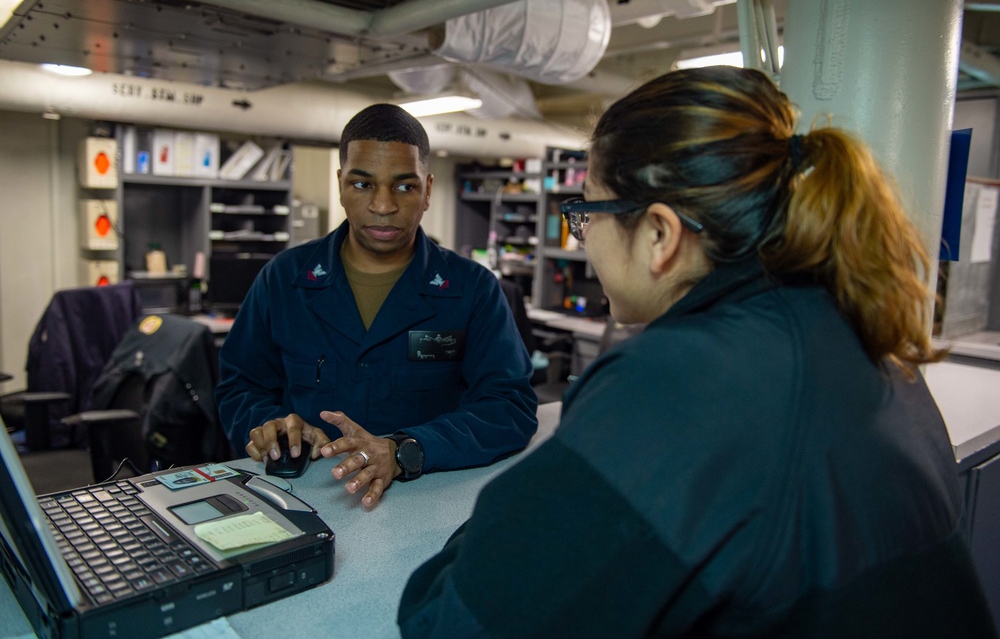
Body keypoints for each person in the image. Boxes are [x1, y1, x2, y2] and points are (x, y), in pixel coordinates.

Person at [397, 67, 997, 636]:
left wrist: (496, 529)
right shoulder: (859, 335)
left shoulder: (680, 381)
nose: (582, 242)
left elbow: (454, 623)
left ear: (659, 234)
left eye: (585, 214)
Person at [215, 104, 538, 509]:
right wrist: (270, 427)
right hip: (304, 500)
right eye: (363, 184)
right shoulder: (283, 280)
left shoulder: (472, 290)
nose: (383, 205)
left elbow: (509, 407)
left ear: (428, 190)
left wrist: (407, 450)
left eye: (404, 186)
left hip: (425, 502)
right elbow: (239, 385)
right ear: (340, 185)